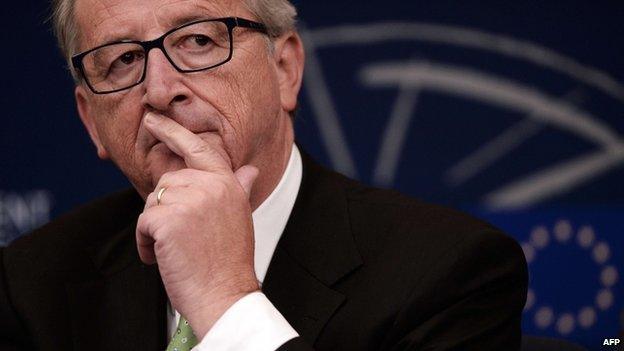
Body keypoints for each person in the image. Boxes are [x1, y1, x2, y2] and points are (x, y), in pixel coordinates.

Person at [0, 0, 528, 350]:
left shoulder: (449, 273)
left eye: (199, 41)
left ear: (285, 71)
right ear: (92, 121)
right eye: (121, 60)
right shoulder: (29, 286)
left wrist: (224, 299)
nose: (160, 89)